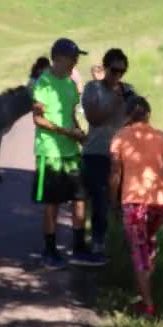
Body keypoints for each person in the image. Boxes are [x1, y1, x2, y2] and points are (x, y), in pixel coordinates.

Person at [31, 37, 104, 269]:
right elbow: (37, 118)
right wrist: (65, 132)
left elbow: (72, 115)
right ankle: (49, 252)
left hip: (72, 152)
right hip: (50, 153)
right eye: (73, 58)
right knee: (52, 204)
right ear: (60, 58)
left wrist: (79, 133)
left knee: (80, 199)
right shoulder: (43, 83)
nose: (76, 62)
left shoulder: (71, 84)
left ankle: (79, 248)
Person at [109, 96, 163, 318]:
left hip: (133, 202)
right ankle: (141, 296)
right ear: (148, 115)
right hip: (158, 201)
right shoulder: (160, 137)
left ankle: (149, 306)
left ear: (128, 115)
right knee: (147, 246)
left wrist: (113, 199)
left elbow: (115, 174)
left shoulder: (120, 137)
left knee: (139, 252)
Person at [81, 48, 136, 256]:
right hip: (97, 153)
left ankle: (126, 244)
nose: (118, 76)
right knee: (100, 199)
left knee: (126, 201)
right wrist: (115, 102)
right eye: (114, 71)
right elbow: (94, 118)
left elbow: (138, 118)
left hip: (122, 155)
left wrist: (134, 109)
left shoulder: (129, 90)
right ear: (105, 68)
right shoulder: (92, 88)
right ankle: (98, 241)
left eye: (122, 72)